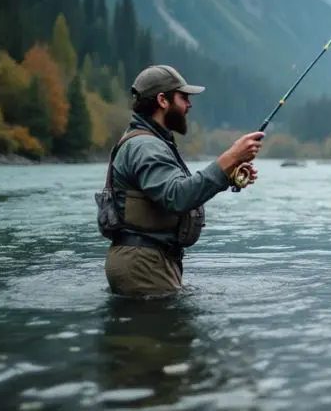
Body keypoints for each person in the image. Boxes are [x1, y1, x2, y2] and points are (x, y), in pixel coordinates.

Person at [100, 64, 263, 297]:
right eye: (183, 97)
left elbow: (177, 189)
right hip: (142, 266)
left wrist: (227, 175)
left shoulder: (150, 142)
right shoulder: (146, 147)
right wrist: (231, 157)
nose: (189, 104)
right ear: (163, 101)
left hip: (145, 262)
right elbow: (178, 196)